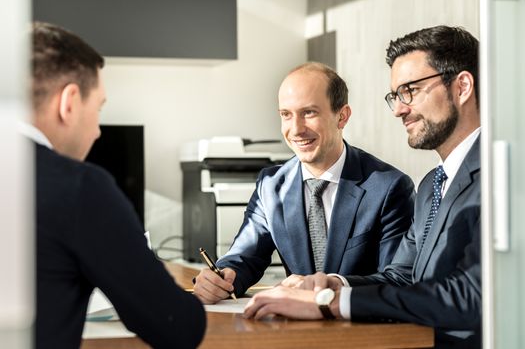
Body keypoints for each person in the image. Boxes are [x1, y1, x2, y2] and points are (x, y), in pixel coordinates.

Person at [244, 26, 481, 348]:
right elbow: (402, 277)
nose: (398, 109)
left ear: (462, 86)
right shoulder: (432, 185)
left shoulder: (503, 177)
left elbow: (471, 296)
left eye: (410, 90)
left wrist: (329, 303)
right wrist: (334, 285)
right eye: (395, 96)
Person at [25, 22, 205, 349]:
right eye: (98, 109)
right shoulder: (79, 188)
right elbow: (179, 327)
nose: (96, 132)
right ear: (70, 101)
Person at [194, 62, 415, 304]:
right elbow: (245, 256)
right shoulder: (271, 185)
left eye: (309, 112)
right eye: (286, 115)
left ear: (342, 116)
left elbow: (397, 279)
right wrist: (224, 277)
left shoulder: (389, 187)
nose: (296, 129)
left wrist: (330, 287)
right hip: (294, 330)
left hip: (358, 328)